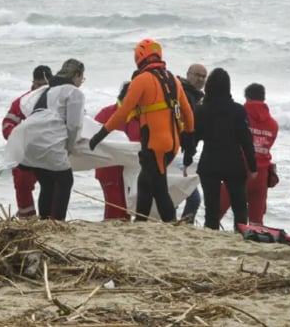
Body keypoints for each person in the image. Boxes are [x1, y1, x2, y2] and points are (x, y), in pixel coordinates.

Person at [89, 39, 195, 223]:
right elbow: (187, 113)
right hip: (172, 144)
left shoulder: (142, 79)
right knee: (146, 182)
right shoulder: (173, 80)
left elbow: (123, 112)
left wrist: (100, 134)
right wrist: (189, 140)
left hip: (155, 144)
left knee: (159, 190)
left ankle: (169, 223)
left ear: (139, 57)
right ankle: (140, 222)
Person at [14, 59, 86, 221]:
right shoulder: (74, 92)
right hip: (49, 141)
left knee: (47, 183)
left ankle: (45, 220)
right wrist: (69, 147)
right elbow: (74, 125)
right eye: (82, 78)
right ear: (77, 75)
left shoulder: (47, 90)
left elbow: (27, 108)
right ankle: (58, 222)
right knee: (65, 180)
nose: (81, 82)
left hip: (29, 139)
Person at [193, 68, 257, 230]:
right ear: (228, 86)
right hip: (233, 163)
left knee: (211, 210)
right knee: (240, 208)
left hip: (209, 162)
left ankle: (211, 236)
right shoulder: (237, 110)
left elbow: (194, 137)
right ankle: (241, 235)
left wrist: (187, 159)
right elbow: (246, 140)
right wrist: (253, 166)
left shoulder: (202, 109)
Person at [218, 83, 279, 225]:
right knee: (256, 220)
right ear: (264, 98)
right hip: (261, 174)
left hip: (238, 170)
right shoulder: (273, 124)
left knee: (217, 210)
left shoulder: (239, 116)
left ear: (247, 97)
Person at [1, 65, 52, 219]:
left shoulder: (57, 100)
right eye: (39, 84)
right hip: (26, 152)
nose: (42, 88)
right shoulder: (22, 102)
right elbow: (7, 125)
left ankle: (51, 218)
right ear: (33, 83)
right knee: (22, 184)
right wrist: (18, 137)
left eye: (45, 84)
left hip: (49, 150)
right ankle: (27, 217)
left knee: (53, 186)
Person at [94, 82, 141, 221]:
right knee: (115, 208)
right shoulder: (107, 113)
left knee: (127, 209)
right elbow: (93, 138)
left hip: (132, 171)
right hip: (109, 169)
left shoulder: (140, 116)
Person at [177, 63, 206, 223]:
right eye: (197, 75)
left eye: (203, 77)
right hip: (177, 150)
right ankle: (178, 226)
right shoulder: (183, 93)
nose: (200, 79)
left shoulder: (197, 96)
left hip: (185, 152)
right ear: (188, 74)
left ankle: (179, 226)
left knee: (185, 194)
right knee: (192, 197)